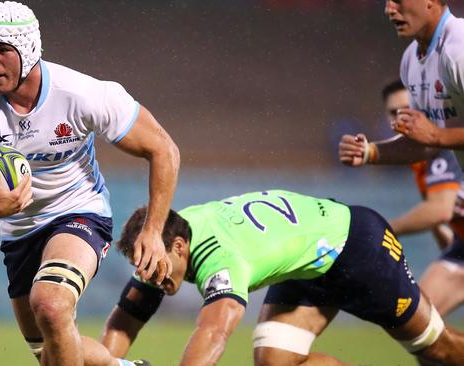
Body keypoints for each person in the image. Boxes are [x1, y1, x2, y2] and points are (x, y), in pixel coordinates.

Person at [0, 2, 179, 365]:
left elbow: (163, 149)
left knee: (50, 305)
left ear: (28, 48)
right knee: (47, 350)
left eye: (2, 49)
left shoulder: (81, 94)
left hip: (78, 211)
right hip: (19, 231)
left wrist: (154, 230)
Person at [101, 190, 464, 365]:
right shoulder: (164, 236)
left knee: (438, 349)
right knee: (276, 361)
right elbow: (126, 320)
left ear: (179, 247)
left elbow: (213, 331)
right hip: (307, 263)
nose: (150, 277)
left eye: (153, 267)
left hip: (357, 245)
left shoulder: (221, 259)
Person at [349, 80, 464, 320]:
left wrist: (384, 230)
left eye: (408, 108)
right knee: (420, 325)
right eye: (394, 113)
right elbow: (444, 217)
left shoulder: (445, 144)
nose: (402, 118)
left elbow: (439, 210)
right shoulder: (417, 159)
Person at [339, 1, 464, 167]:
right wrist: (371, 152)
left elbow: (434, 136)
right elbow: (427, 141)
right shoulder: (411, 58)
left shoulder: (459, 48)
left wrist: (436, 135)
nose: (388, 10)